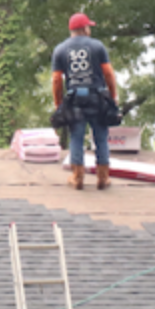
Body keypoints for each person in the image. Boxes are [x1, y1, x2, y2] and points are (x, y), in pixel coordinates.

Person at [52, 12, 118, 191]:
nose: (89, 29)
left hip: (74, 99)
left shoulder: (60, 49)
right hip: (97, 97)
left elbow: (57, 80)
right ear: (83, 28)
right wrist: (113, 96)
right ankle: (103, 178)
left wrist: (58, 104)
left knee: (76, 137)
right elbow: (108, 73)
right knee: (101, 138)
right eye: (88, 26)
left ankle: (77, 177)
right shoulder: (97, 46)